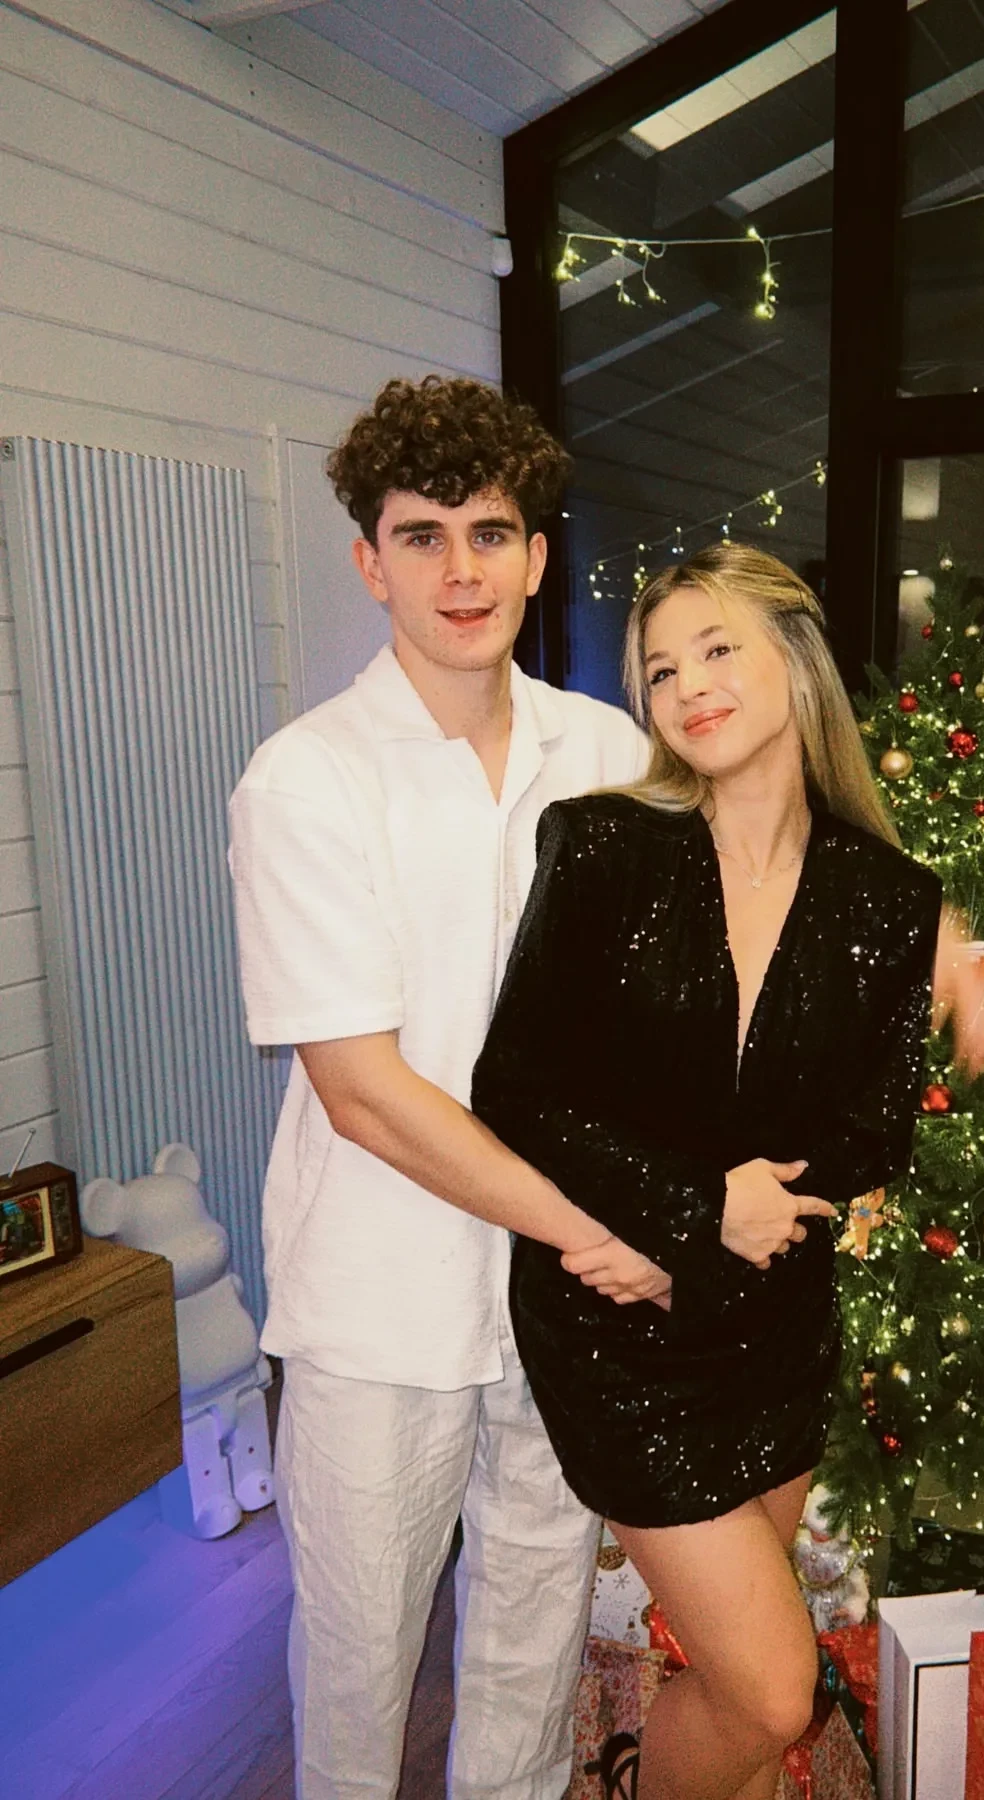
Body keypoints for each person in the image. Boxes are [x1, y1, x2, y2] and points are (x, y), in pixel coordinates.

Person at [470, 544, 984, 1800]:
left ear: (796, 661)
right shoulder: (603, 846)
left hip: (771, 1329)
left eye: (717, 650)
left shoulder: (889, 897)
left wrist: (700, 1238)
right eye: (661, 670)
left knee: (738, 1695)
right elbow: (518, 1092)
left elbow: (869, 1138)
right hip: (618, 1332)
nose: (688, 687)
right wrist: (690, 1215)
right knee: (773, 1688)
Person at [228, 376, 653, 1800]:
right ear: (371, 563)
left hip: (553, 1311)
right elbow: (361, 1090)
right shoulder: (305, 780)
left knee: (532, 1652)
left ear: (537, 556)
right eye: (423, 537)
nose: (461, 571)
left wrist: (941, 932)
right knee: (357, 1675)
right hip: (379, 1306)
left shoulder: (609, 753)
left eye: (491, 533)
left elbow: (757, 880)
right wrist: (587, 1229)